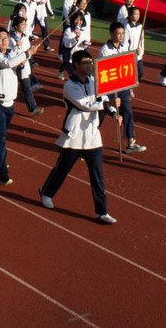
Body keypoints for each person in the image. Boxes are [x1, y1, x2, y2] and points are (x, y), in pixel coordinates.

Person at [39, 49, 119, 223]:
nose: (90, 65)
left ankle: (101, 211)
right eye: (85, 63)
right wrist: (107, 103)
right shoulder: (69, 85)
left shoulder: (94, 81)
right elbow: (85, 105)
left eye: (91, 62)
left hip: (92, 135)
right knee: (63, 169)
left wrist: (113, 112)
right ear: (76, 64)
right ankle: (46, 192)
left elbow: (103, 96)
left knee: (97, 175)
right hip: (74, 135)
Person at [0, 28, 38, 186]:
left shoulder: (11, 53)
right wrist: (27, 53)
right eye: (0, 38)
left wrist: (23, 59)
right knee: (0, 139)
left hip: (9, 103)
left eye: (6, 38)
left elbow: (19, 67)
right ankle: (3, 174)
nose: (5, 41)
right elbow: (7, 64)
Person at [98, 22, 145, 153]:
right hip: (109, 87)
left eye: (123, 33)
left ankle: (131, 141)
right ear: (111, 34)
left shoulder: (124, 47)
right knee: (102, 112)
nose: (121, 36)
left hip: (122, 87)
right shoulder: (105, 50)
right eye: (118, 33)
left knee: (128, 112)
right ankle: (91, 135)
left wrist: (134, 55)